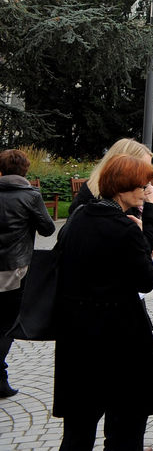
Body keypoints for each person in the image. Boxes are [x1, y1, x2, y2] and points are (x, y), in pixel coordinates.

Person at [53, 153, 153, 449]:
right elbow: (146, 280)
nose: (144, 192)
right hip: (120, 340)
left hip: (77, 337)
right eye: (142, 187)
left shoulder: (78, 218)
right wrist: (141, 240)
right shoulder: (124, 227)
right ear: (123, 188)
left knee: (78, 430)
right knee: (125, 429)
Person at [0, 149, 55, 398]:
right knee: (7, 325)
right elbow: (47, 228)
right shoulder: (30, 196)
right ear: (25, 171)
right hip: (15, 269)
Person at [68, 137, 153, 216]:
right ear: (125, 164)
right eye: (143, 169)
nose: (146, 175)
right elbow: (131, 231)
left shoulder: (97, 190)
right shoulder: (111, 199)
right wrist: (151, 205)